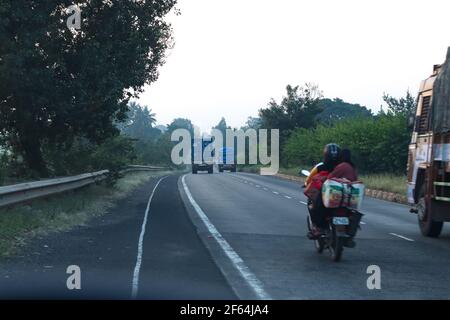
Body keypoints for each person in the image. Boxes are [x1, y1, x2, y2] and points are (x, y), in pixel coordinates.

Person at [304, 143, 341, 239]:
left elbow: (309, 179)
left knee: (314, 207)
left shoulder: (320, 166)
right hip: (340, 196)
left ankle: (317, 228)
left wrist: (306, 184)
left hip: (325, 195)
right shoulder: (342, 166)